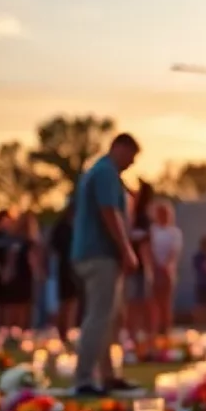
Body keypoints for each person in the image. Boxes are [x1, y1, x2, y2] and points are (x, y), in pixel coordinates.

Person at [71, 132, 141, 395]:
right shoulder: (105, 173)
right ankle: (84, 378)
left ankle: (108, 374)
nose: (131, 164)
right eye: (131, 157)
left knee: (110, 317)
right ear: (119, 148)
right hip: (99, 254)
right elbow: (109, 212)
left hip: (96, 253)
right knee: (99, 316)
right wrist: (126, 249)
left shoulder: (100, 172)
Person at [149, 199, 183, 336]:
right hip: (153, 269)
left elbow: (174, 251)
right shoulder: (152, 230)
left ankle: (166, 329)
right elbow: (149, 248)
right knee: (153, 302)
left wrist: (166, 266)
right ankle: (155, 330)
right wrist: (154, 265)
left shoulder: (174, 232)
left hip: (167, 271)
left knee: (166, 302)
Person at [4, 211, 42, 330]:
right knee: (16, 304)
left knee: (25, 304)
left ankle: (20, 329)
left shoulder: (30, 242)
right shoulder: (16, 241)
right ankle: (13, 329)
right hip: (19, 275)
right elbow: (12, 259)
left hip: (26, 275)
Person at [49, 201, 80, 341]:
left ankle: (68, 330)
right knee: (66, 301)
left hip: (75, 267)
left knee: (72, 301)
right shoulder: (63, 228)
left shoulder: (76, 227)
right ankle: (62, 332)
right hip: (65, 267)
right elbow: (53, 249)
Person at [126, 181, 154, 338]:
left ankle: (135, 334)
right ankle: (137, 334)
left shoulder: (136, 217)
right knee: (137, 302)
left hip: (136, 266)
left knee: (136, 302)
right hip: (137, 266)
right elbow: (145, 244)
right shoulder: (140, 218)